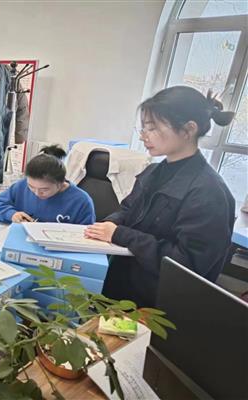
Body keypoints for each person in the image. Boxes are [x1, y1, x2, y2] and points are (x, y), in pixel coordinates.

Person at [85, 86, 236, 307]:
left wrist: (120, 234)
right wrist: (109, 224)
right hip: (124, 288)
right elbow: (128, 209)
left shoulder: (209, 193)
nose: (143, 136)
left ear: (188, 129)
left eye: (153, 128)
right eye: (143, 128)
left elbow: (186, 265)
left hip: (158, 306)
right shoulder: (153, 171)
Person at [0, 145, 96, 225]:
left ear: (61, 183)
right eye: (31, 187)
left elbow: (87, 236)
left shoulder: (81, 201)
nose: (37, 193)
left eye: (44, 189)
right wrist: (12, 214)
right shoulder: (22, 186)